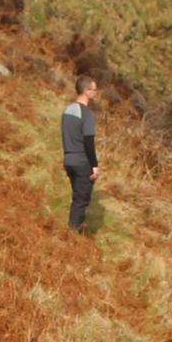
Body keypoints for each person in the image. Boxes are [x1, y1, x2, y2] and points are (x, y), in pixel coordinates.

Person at [61, 71, 99, 230]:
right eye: (94, 90)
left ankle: (77, 231)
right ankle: (71, 236)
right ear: (86, 91)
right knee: (81, 200)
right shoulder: (87, 114)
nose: (95, 93)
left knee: (77, 197)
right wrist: (94, 165)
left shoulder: (67, 111)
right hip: (82, 162)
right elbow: (89, 141)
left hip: (68, 159)